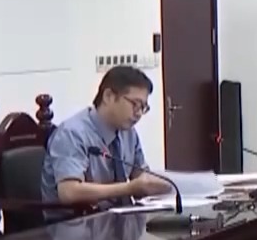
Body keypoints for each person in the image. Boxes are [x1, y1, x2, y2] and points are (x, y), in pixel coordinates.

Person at [42, 65, 170, 209]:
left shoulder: (128, 132)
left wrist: (170, 185)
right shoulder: (72, 133)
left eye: (143, 107)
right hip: (75, 219)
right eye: (135, 104)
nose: (139, 113)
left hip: (119, 217)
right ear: (108, 96)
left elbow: (141, 176)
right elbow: (69, 192)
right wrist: (129, 188)